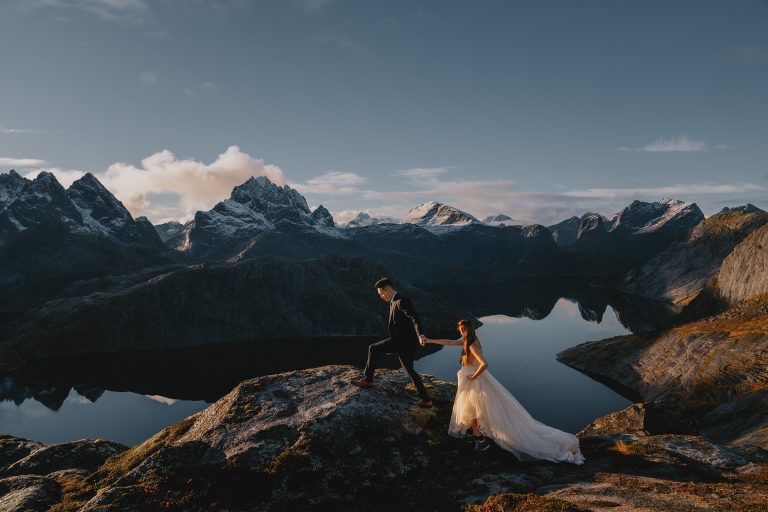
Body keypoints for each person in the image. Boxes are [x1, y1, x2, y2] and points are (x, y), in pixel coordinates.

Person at [422, 319, 584, 463]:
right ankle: (476, 434)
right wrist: (429, 341)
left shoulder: (471, 345)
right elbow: (449, 342)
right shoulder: (468, 341)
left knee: (474, 407)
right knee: (472, 408)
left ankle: (480, 439)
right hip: (471, 379)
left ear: (464, 330)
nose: (458, 332)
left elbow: (484, 363)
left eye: (460, 330)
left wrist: (473, 376)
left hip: (474, 380)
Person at [351, 277, 433, 408]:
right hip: (403, 343)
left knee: (373, 348)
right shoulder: (393, 301)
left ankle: (368, 380)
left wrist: (421, 335)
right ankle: (426, 400)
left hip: (403, 342)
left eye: (381, 293)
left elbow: (414, 317)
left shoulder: (401, 301)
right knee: (409, 370)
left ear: (388, 290)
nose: (381, 297)